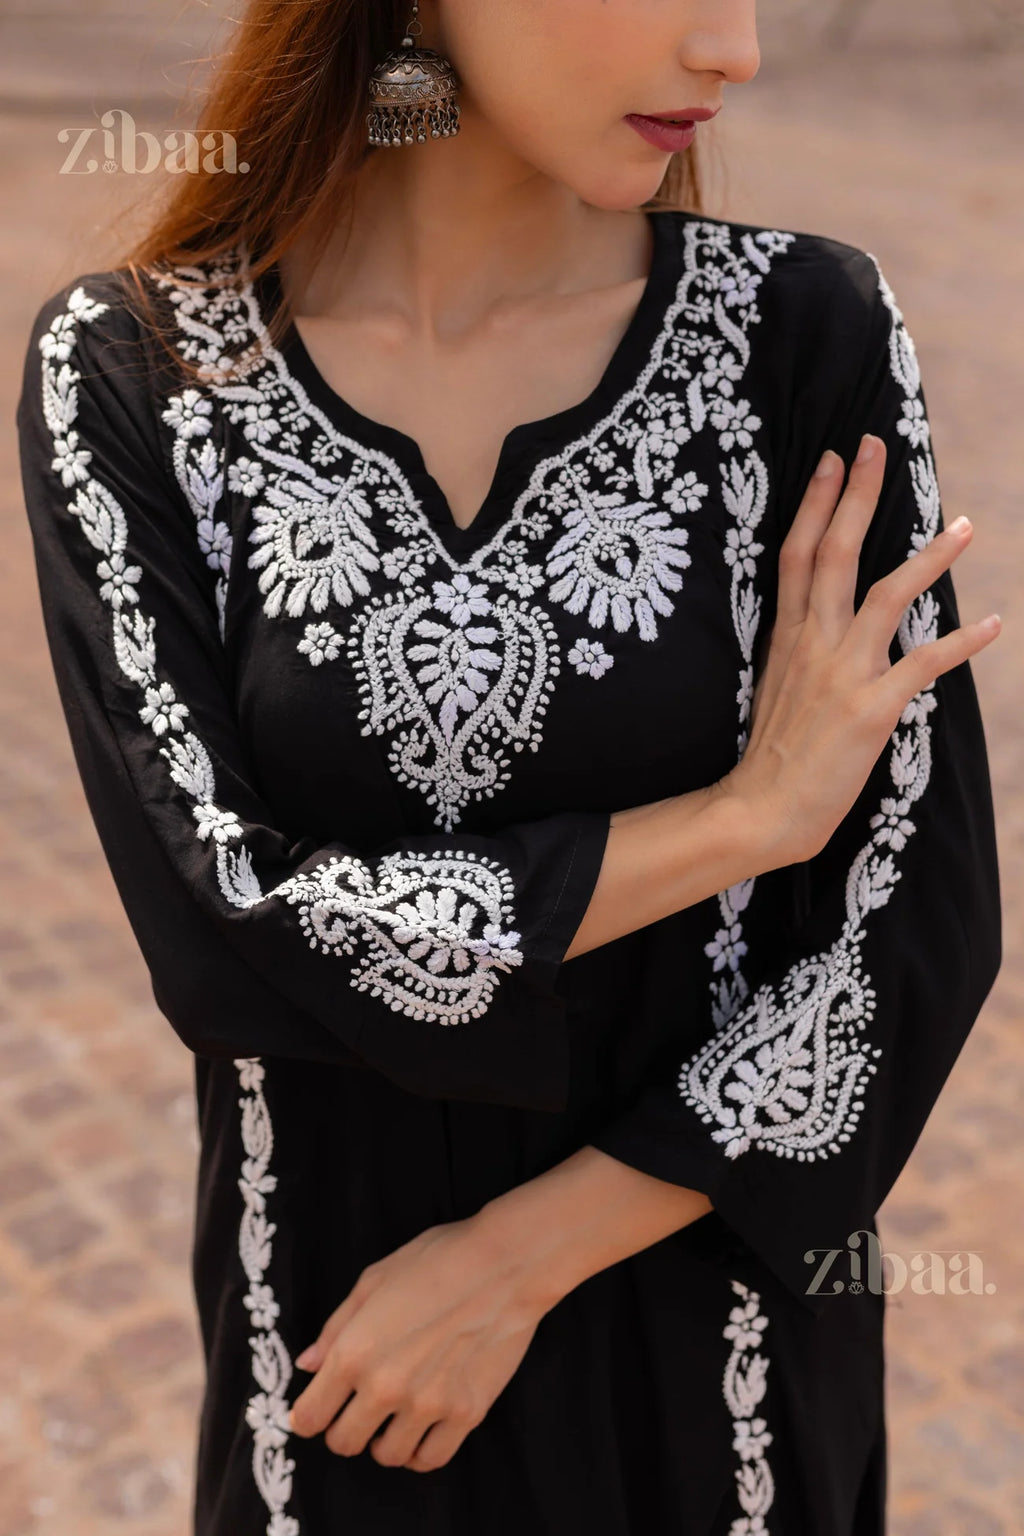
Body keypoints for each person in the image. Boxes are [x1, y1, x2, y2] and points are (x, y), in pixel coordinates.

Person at [16, 1, 1002, 1532]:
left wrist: (512, 1262)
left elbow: (910, 916)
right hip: (343, 1380)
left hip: (720, 1368)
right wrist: (742, 821)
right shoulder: (141, 375)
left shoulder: (804, 334)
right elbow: (232, 927)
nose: (733, 50)